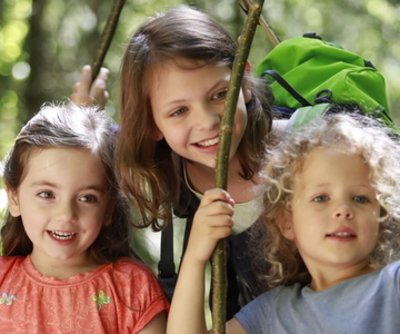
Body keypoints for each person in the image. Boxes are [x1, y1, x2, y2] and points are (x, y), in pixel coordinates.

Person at [71, 5, 276, 323]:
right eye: (179, 111)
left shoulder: (302, 153)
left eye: (220, 94)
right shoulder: (166, 167)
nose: (208, 122)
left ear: (245, 80)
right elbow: (106, 145)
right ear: (153, 125)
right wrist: (84, 113)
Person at [167, 110, 400, 333]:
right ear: (286, 221)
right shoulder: (272, 313)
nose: (343, 210)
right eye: (321, 198)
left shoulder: (392, 285)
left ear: (381, 214)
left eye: (361, 198)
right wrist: (195, 257)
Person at [0, 103, 169, 333]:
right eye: (47, 194)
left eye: (87, 198)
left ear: (108, 208)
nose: (66, 214)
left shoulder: (132, 288)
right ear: (15, 199)